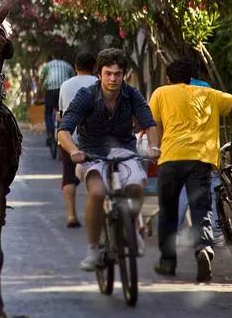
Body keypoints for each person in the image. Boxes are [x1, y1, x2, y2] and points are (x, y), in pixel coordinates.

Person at [57, 48, 158, 271]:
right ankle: (93, 250)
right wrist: (73, 151)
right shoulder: (86, 95)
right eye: (108, 73)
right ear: (99, 74)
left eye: (117, 74)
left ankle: (133, 228)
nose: (113, 79)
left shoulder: (132, 94)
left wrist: (153, 147)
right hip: (91, 153)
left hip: (124, 150)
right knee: (97, 192)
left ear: (124, 75)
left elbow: (148, 122)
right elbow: (63, 130)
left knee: (136, 187)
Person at [150, 58, 232, 282]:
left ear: (168, 78)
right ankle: (203, 248)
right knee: (201, 208)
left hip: (170, 158)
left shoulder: (160, 93)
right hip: (201, 160)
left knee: (168, 211)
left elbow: (155, 124)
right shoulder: (209, 94)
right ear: (190, 78)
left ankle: (168, 262)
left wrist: (157, 147)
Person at [168, 59, 222, 242]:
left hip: (179, 149)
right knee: (211, 187)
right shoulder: (205, 87)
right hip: (205, 148)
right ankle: (215, 229)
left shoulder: (168, 91)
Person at [56, 52, 97, 228]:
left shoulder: (65, 85)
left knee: (68, 175)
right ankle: (97, 210)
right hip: (94, 138)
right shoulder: (99, 83)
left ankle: (71, 215)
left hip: (69, 139)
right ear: (94, 67)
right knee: (97, 175)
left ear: (75, 67)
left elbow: (61, 113)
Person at [38, 53, 74, 149]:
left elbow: (41, 79)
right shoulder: (68, 66)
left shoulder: (48, 65)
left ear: (53, 57)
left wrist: (40, 93)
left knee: (48, 113)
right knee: (63, 111)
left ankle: (50, 134)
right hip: (64, 90)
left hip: (51, 91)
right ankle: (65, 133)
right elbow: (73, 79)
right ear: (63, 57)